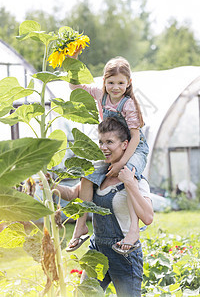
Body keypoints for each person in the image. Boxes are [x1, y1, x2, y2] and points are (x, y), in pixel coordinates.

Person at [40, 117, 153, 297]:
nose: (103, 147)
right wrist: (51, 185)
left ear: (125, 144)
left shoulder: (136, 179)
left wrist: (130, 183)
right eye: (101, 142)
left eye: (110, 142)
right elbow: (72, 194)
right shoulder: (98, 176)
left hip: (124, 253)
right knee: (85, 294)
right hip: (97, 249)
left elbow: (148, 217)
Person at [67, 51, 149, 253]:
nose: (115, 88)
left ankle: (133, 231)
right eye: (111, 82)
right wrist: (73, 61)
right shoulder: (100, 94)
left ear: (128, 83)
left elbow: (135, 137)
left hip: (133, 148)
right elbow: (74, 87)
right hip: (113, 146)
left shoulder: (128, 104)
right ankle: (81, 224)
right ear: (104, 81)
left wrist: (121, 164)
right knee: (88, 174)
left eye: (121, 83)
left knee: (128, 174)